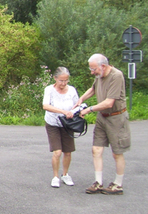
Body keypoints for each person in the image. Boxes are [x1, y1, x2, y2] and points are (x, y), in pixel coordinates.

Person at [77, 54, 131, 195]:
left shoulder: (116, 76)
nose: (92, 72)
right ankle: (98, 182)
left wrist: (89, 109)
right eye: (91, 69)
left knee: (117, 152)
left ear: (103, 66)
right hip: (103, 117)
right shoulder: (99, 75)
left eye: (93, 69)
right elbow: (93, 89)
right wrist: (81, 98)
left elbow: (109, 102)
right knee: (96, 149)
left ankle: (118, 185)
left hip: (116, 117)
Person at [42, 67, 78, 188]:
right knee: (57, 152)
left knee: (67, 151)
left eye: (66, 80)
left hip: (67, 124)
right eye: (61, 80)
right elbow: (45, 106)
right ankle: (55, 176)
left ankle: (65, 174)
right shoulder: (49, 90)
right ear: (55, 78)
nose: (63, 83)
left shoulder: (72, 90)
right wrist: (63, 112)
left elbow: (76, 105)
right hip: (53, 123)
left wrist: (75, 112)